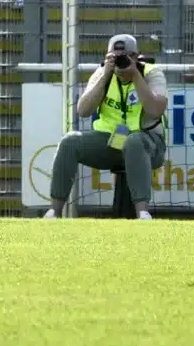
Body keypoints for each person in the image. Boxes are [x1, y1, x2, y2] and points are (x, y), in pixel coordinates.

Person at [44, 34, 169, 220]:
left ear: (136, 57)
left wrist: (135, 75)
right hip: (110, 142)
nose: (120, 61)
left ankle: (142, 212)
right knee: (70, 142)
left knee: (134, 141)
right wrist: (105, 77)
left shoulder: (151, 73)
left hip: (148, 144)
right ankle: (54, 211)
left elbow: (155, 110)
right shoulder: (102, 73)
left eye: (125, 57)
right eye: (114, 57)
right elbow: (83, 110)